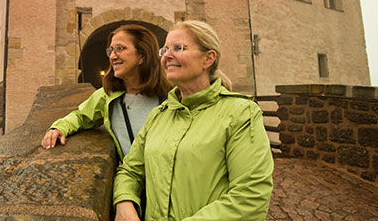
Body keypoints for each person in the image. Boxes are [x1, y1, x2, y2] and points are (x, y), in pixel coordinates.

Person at [113, 20, 274, 221]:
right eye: (165, 49)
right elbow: (130, 171)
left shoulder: (241, 113)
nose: (167, 56)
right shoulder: (159, 115)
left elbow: (251, 197)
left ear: (208, 59)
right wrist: (124, 202)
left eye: (178, 48)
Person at [41, 24, 172, 159]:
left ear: (142, 56)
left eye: (120, 48)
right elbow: (81, 116)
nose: (112, 56)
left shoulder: (171, 96)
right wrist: (58, 128)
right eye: (111, 51)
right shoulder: (108, 96)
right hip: (132, 176)